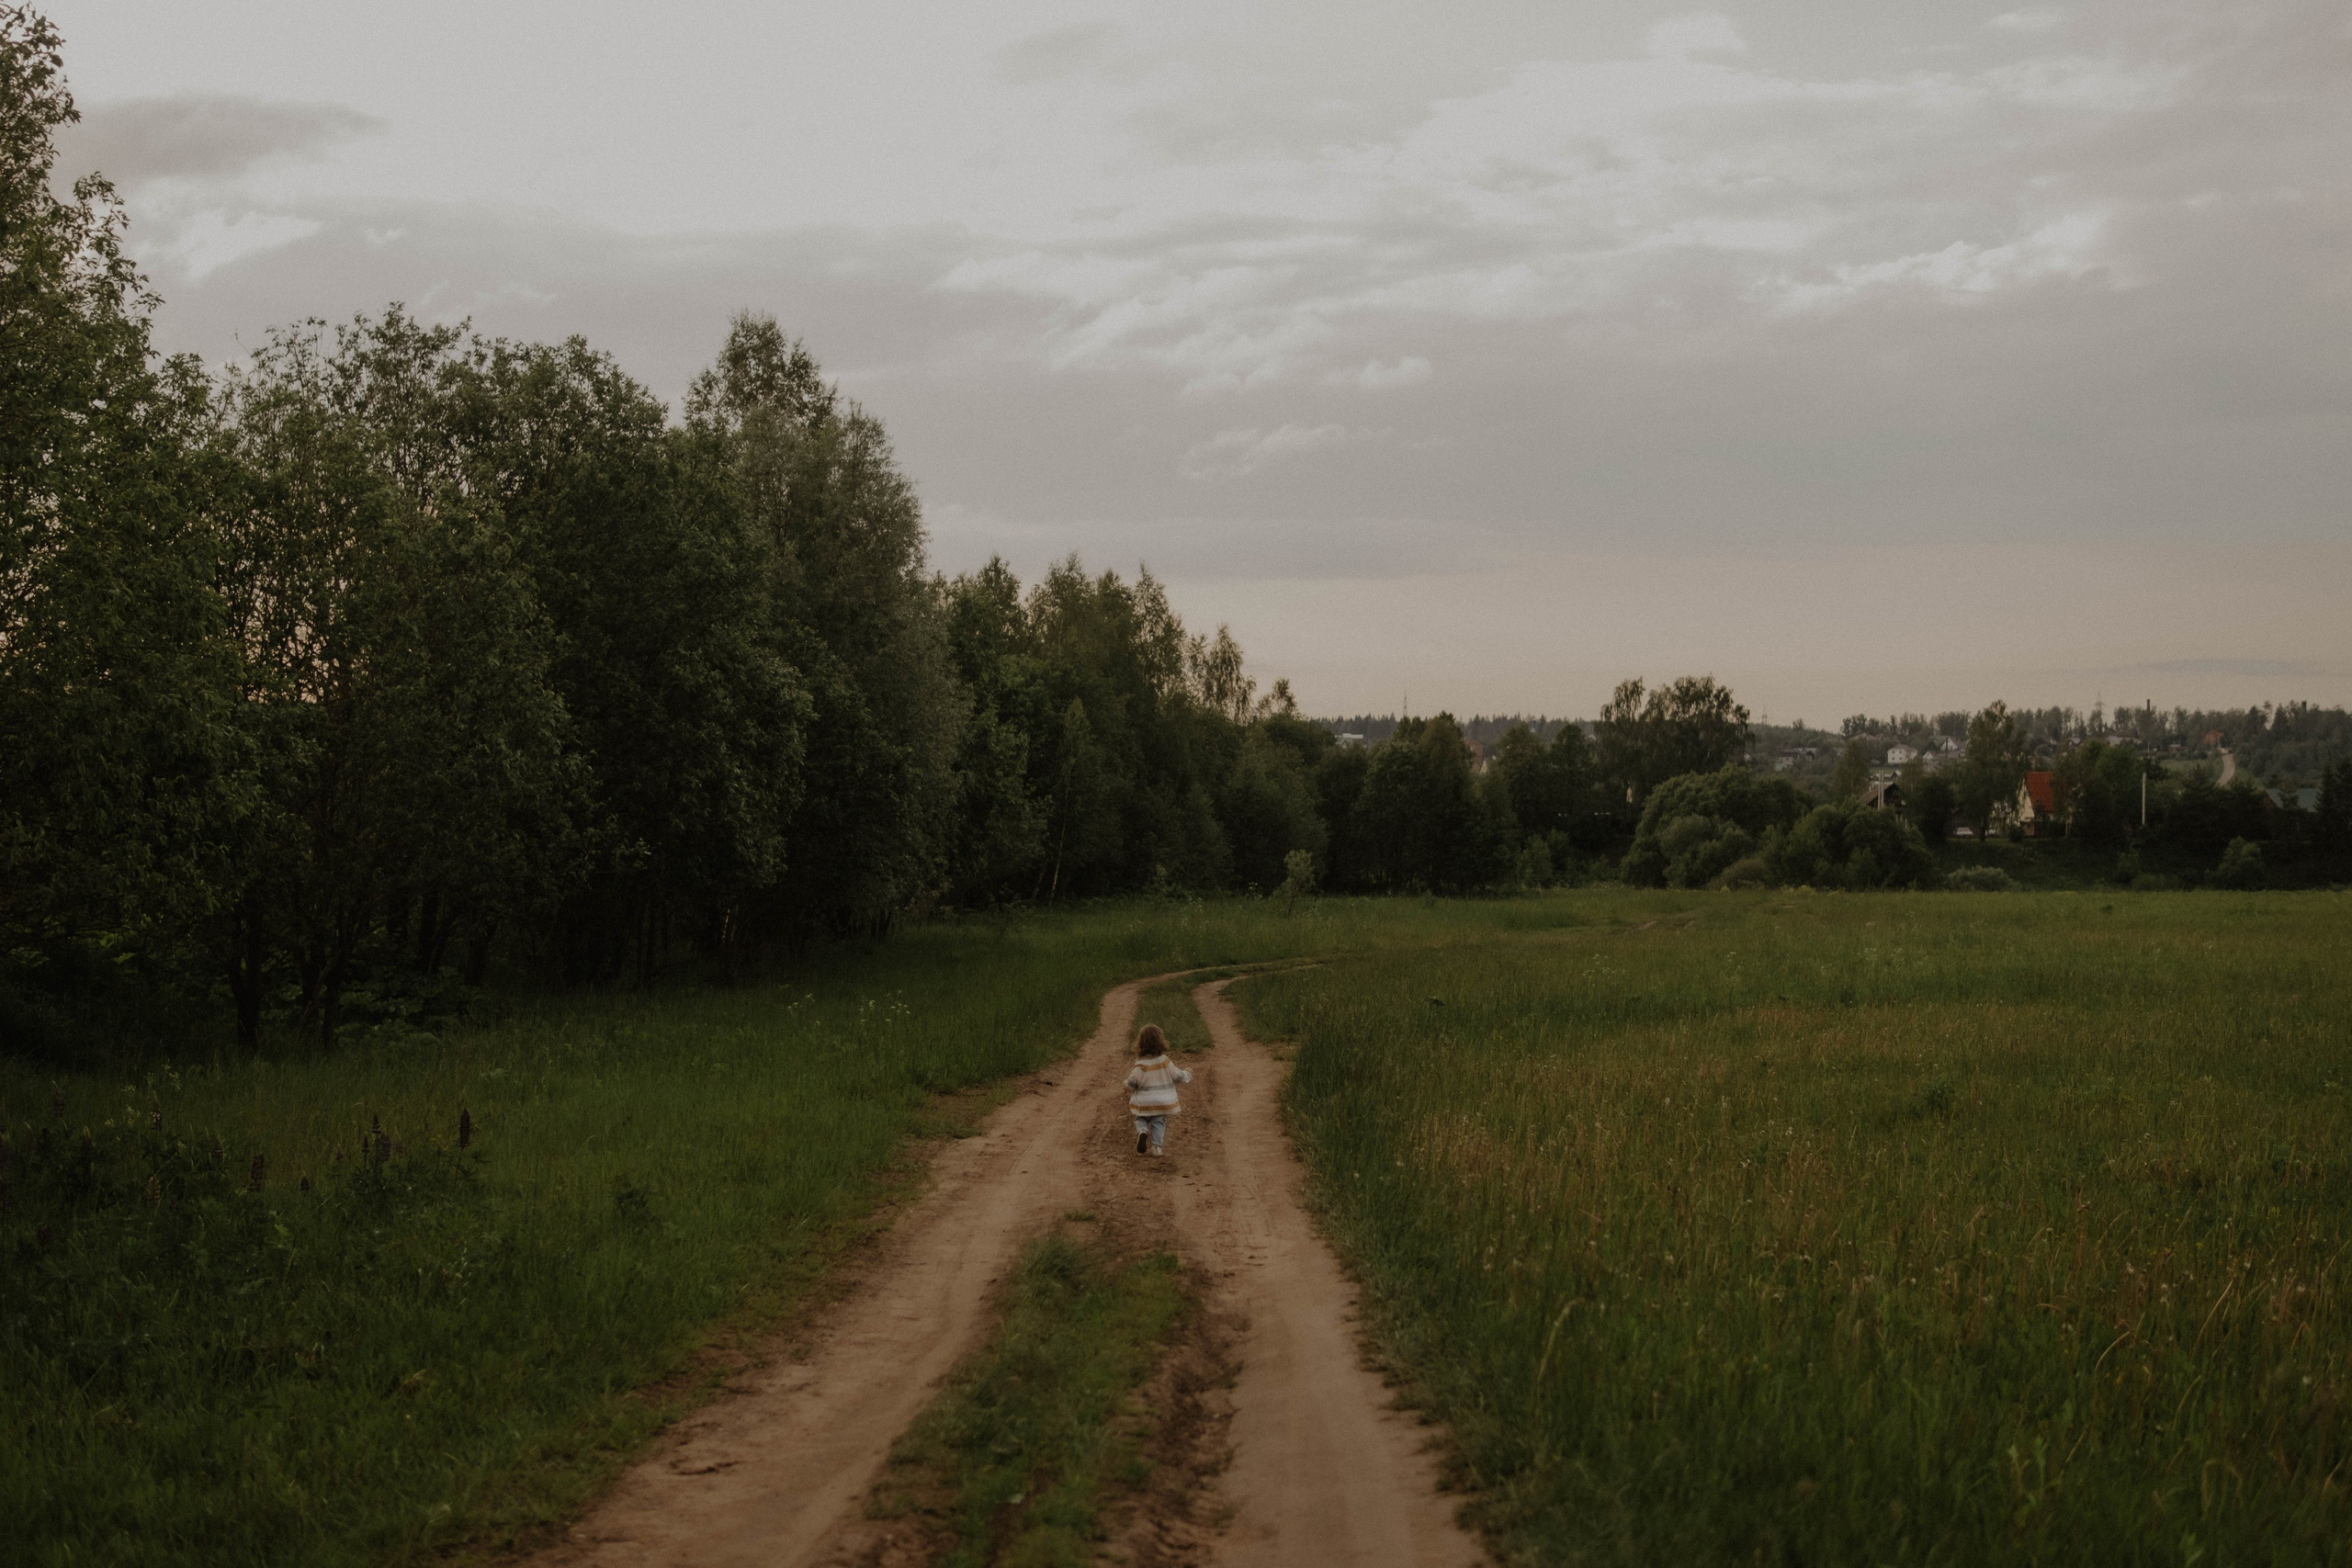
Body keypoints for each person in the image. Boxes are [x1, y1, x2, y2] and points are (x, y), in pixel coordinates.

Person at [1124, 1023, 1192, 1157]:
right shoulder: (1165, 1061)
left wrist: (1125, 1084)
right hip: (1161, 1101)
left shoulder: (1141, 1064)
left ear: (1140, 1044)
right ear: (1160, 1042)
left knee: (1140, 1118)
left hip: (1144, 1102)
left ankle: (1142, 1131)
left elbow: (1132, 1082)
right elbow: (1177, 1076)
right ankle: (1156, 1147)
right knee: (1159, 1122)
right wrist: (1188, 1074)